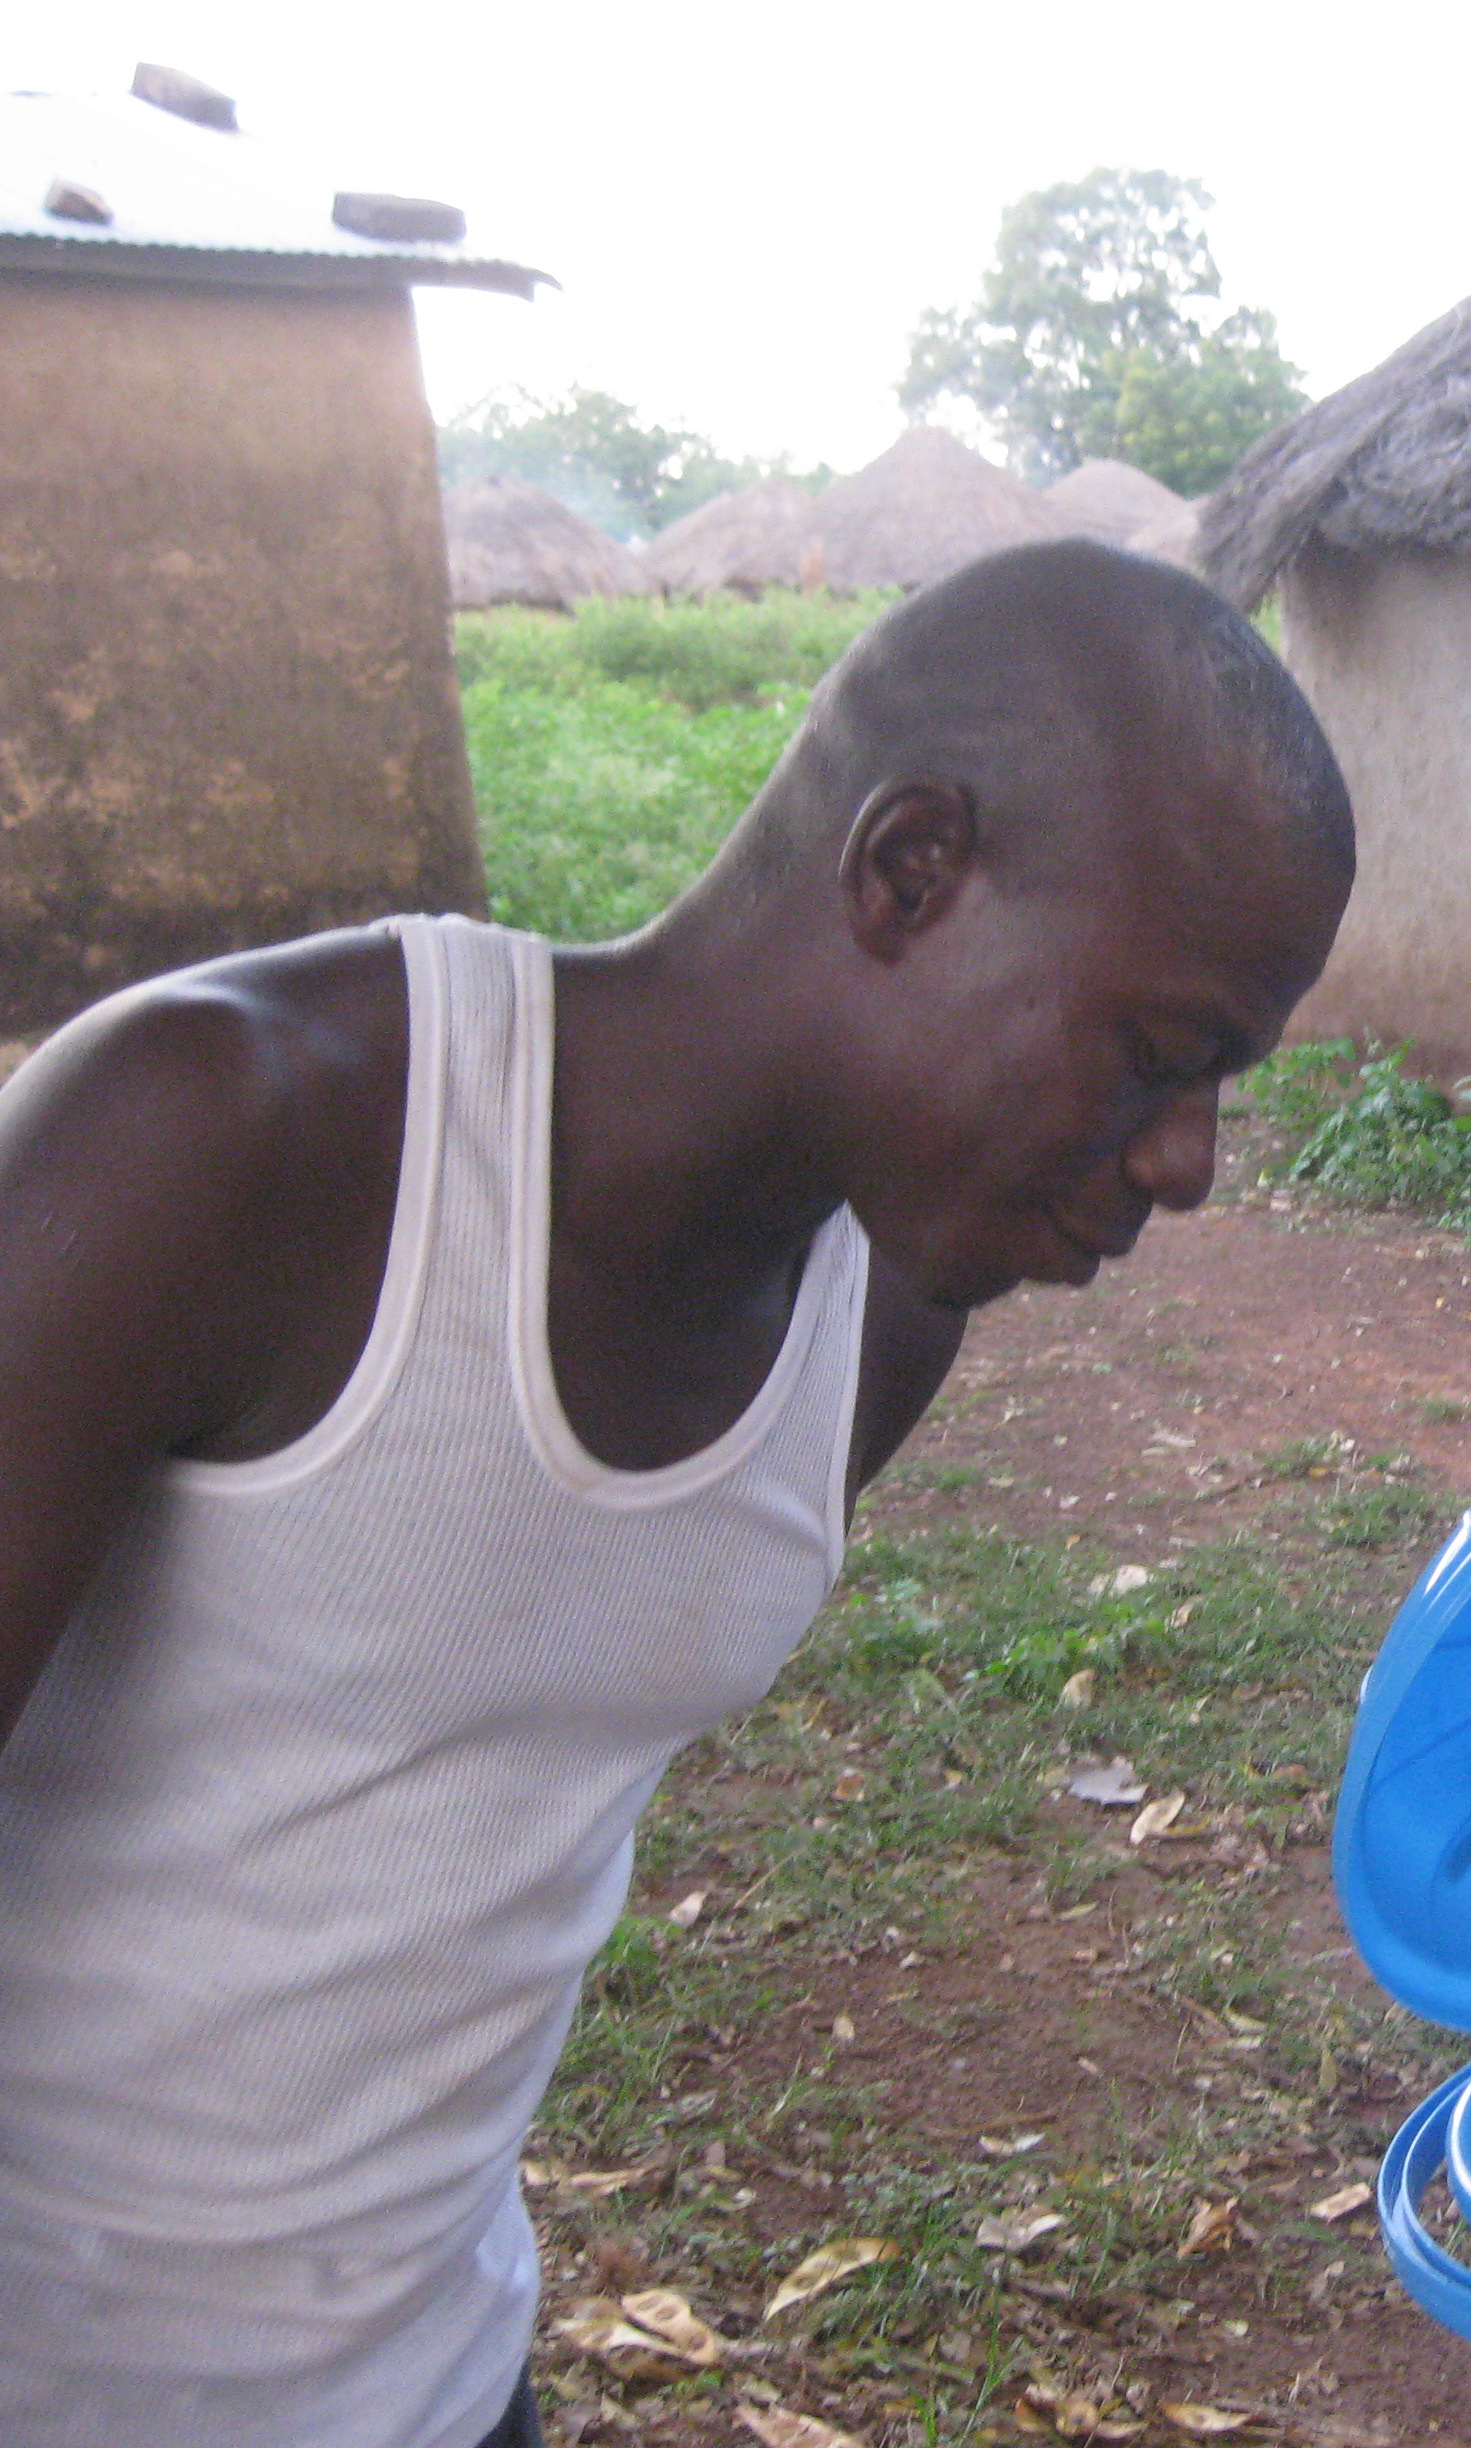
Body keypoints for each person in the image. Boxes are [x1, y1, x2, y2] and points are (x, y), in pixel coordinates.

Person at [0, 539, 1352, 2448]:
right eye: (1160, 1054)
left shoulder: (875, 1320)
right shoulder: (232, 1142)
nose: (1194, 1163)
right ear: (909, 874)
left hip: (439, 2395)